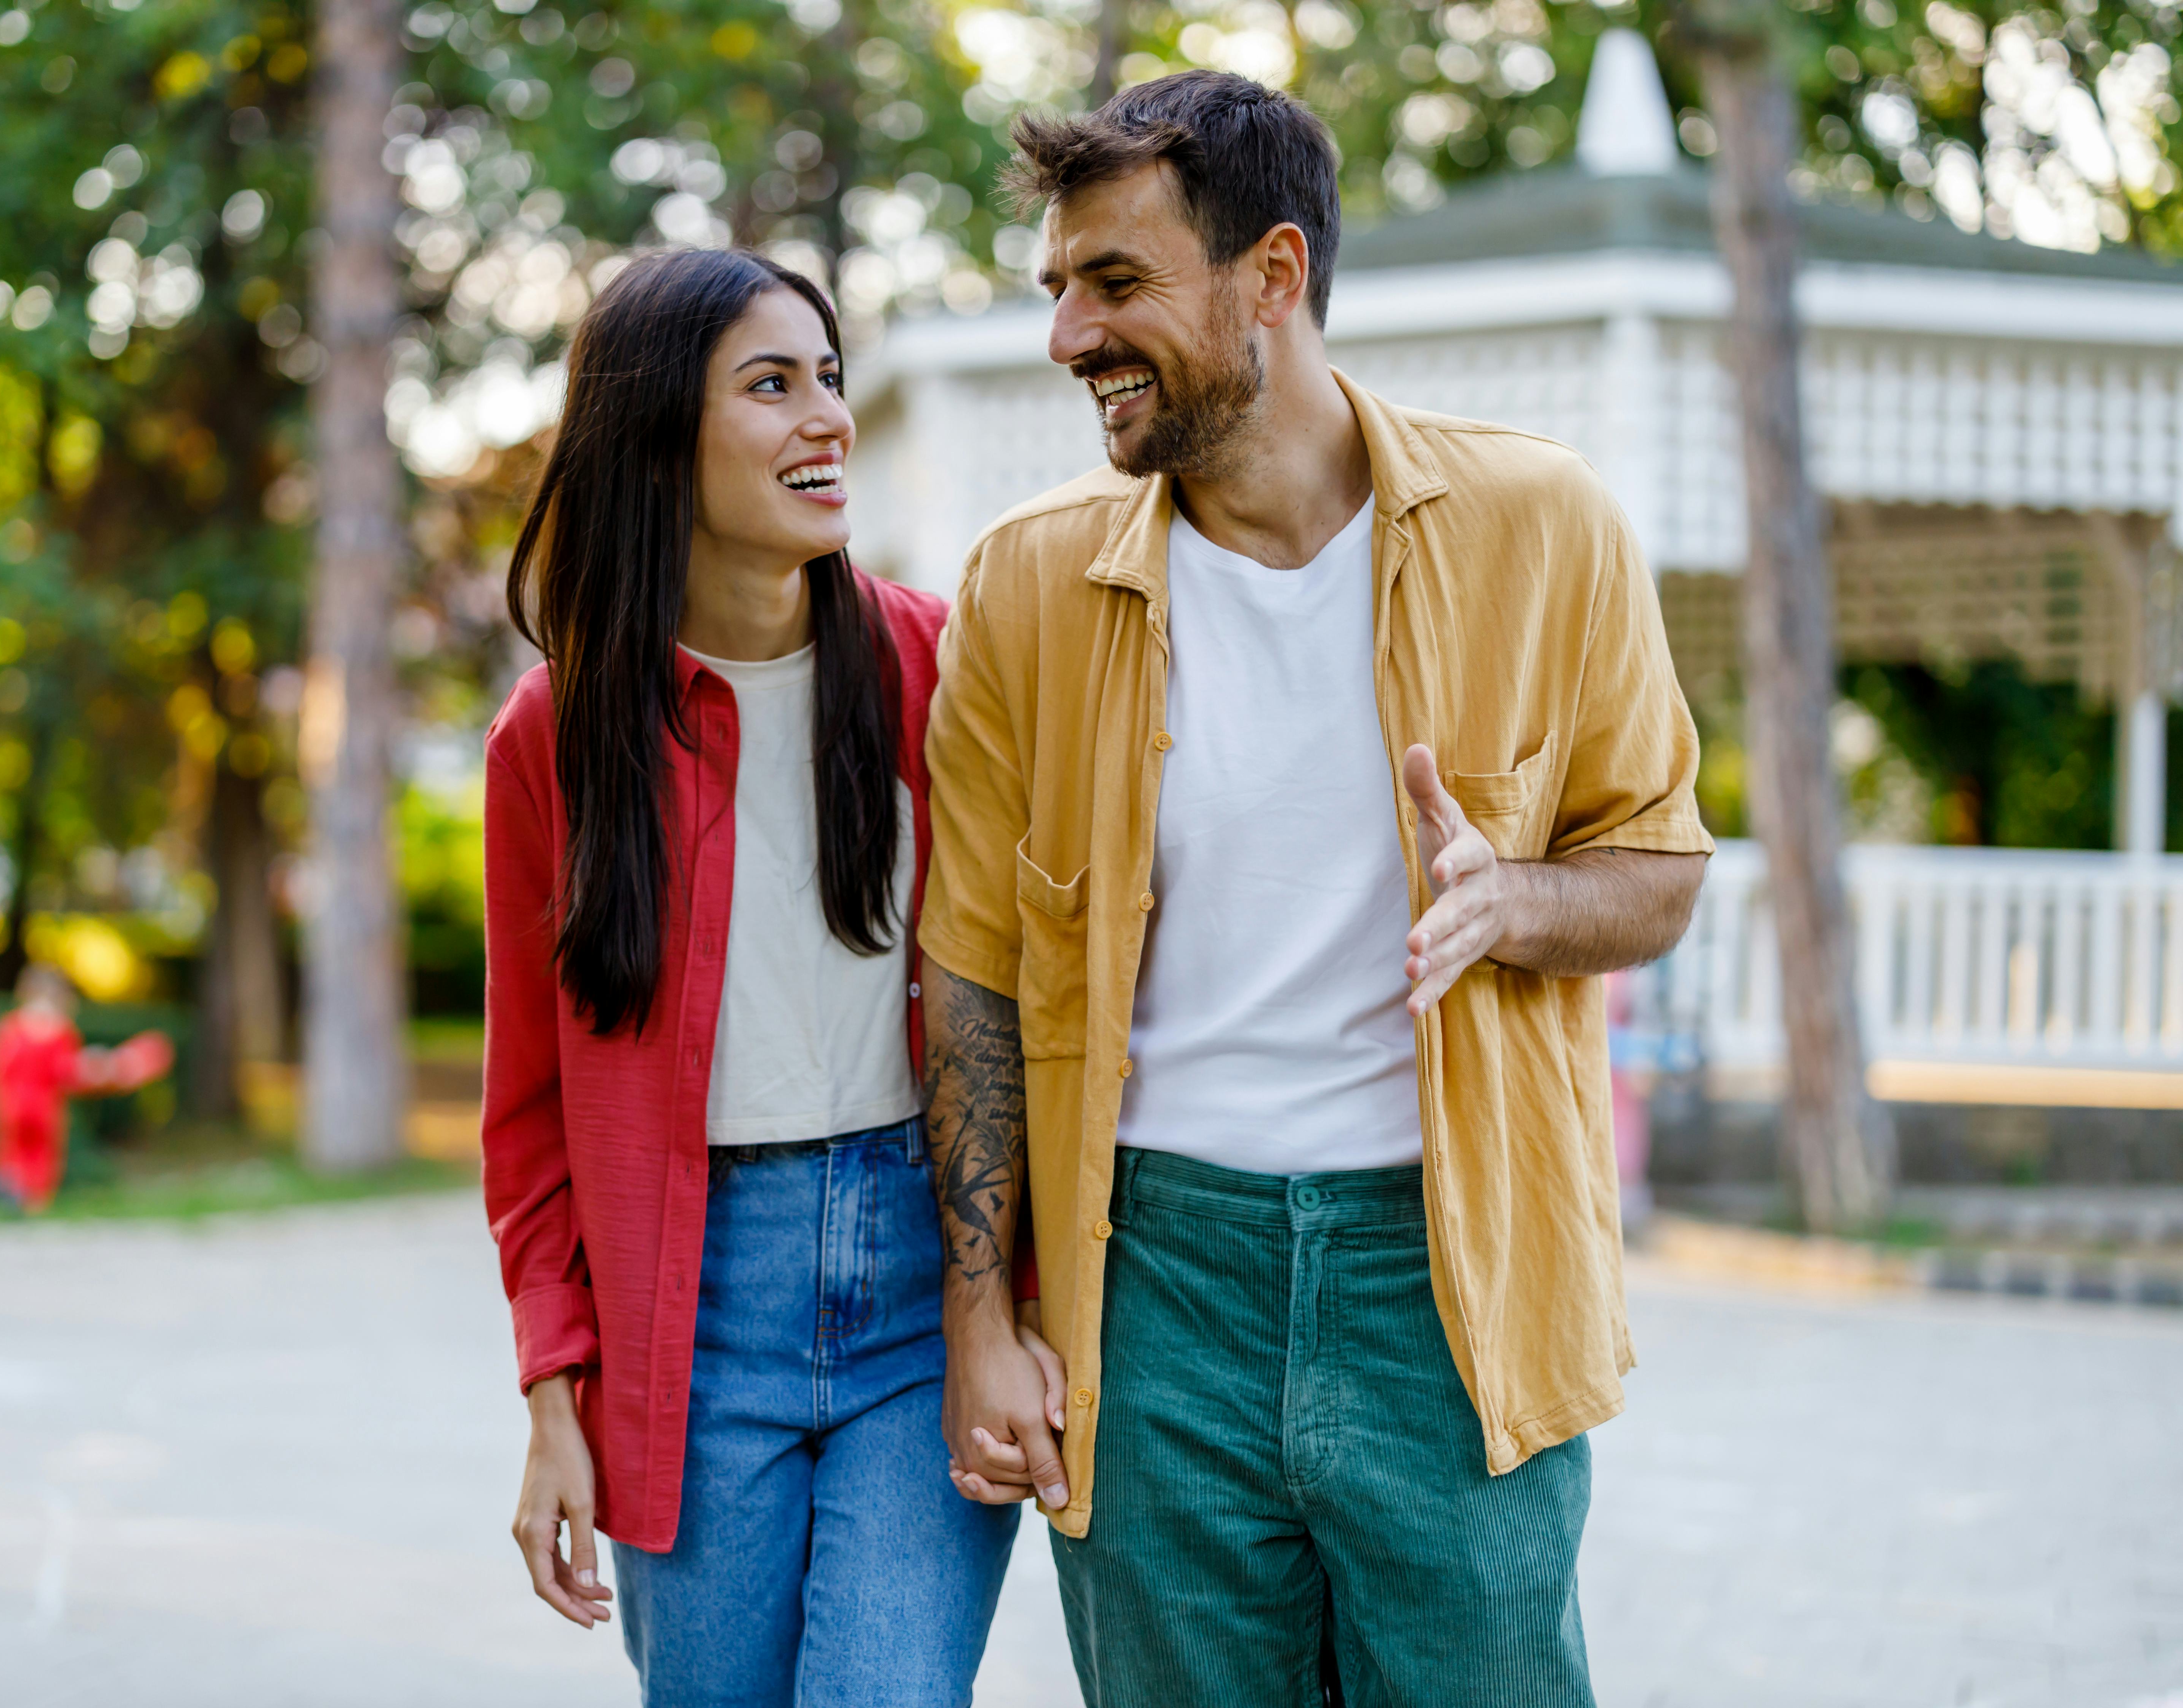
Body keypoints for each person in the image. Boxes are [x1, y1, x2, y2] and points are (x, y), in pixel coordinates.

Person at [918, 72, 1713, 1707]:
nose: (1066, 334)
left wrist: (1512, 903)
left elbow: (1654, 872)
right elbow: (971, 974)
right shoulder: (1024, 584)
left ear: (1270, 276)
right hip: (1152, 1288)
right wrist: (979, 1315)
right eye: (1057, 287)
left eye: (1113, 282)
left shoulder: (1539, 525)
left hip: (1446, 1276)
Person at [481, 247, 1030, 1708]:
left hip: (923, 1297)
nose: (828, 418)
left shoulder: (937, 666)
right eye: (772, 385)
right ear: (659, 433)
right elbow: (527, 1118)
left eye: (828, 379)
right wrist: (553, 1394)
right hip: (692, 1322)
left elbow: (1032, 998)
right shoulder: (554, 736)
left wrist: (1011, 1308)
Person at [0, 962, 173, 1214]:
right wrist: (106, 1069)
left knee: (10, 1150)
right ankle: (34, 1203)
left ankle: (9, 1188)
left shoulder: (9, 1026)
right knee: (41, 1154)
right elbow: (69, 1074)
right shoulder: (60, 1030)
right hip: (44, 1106)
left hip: (9, 1103)